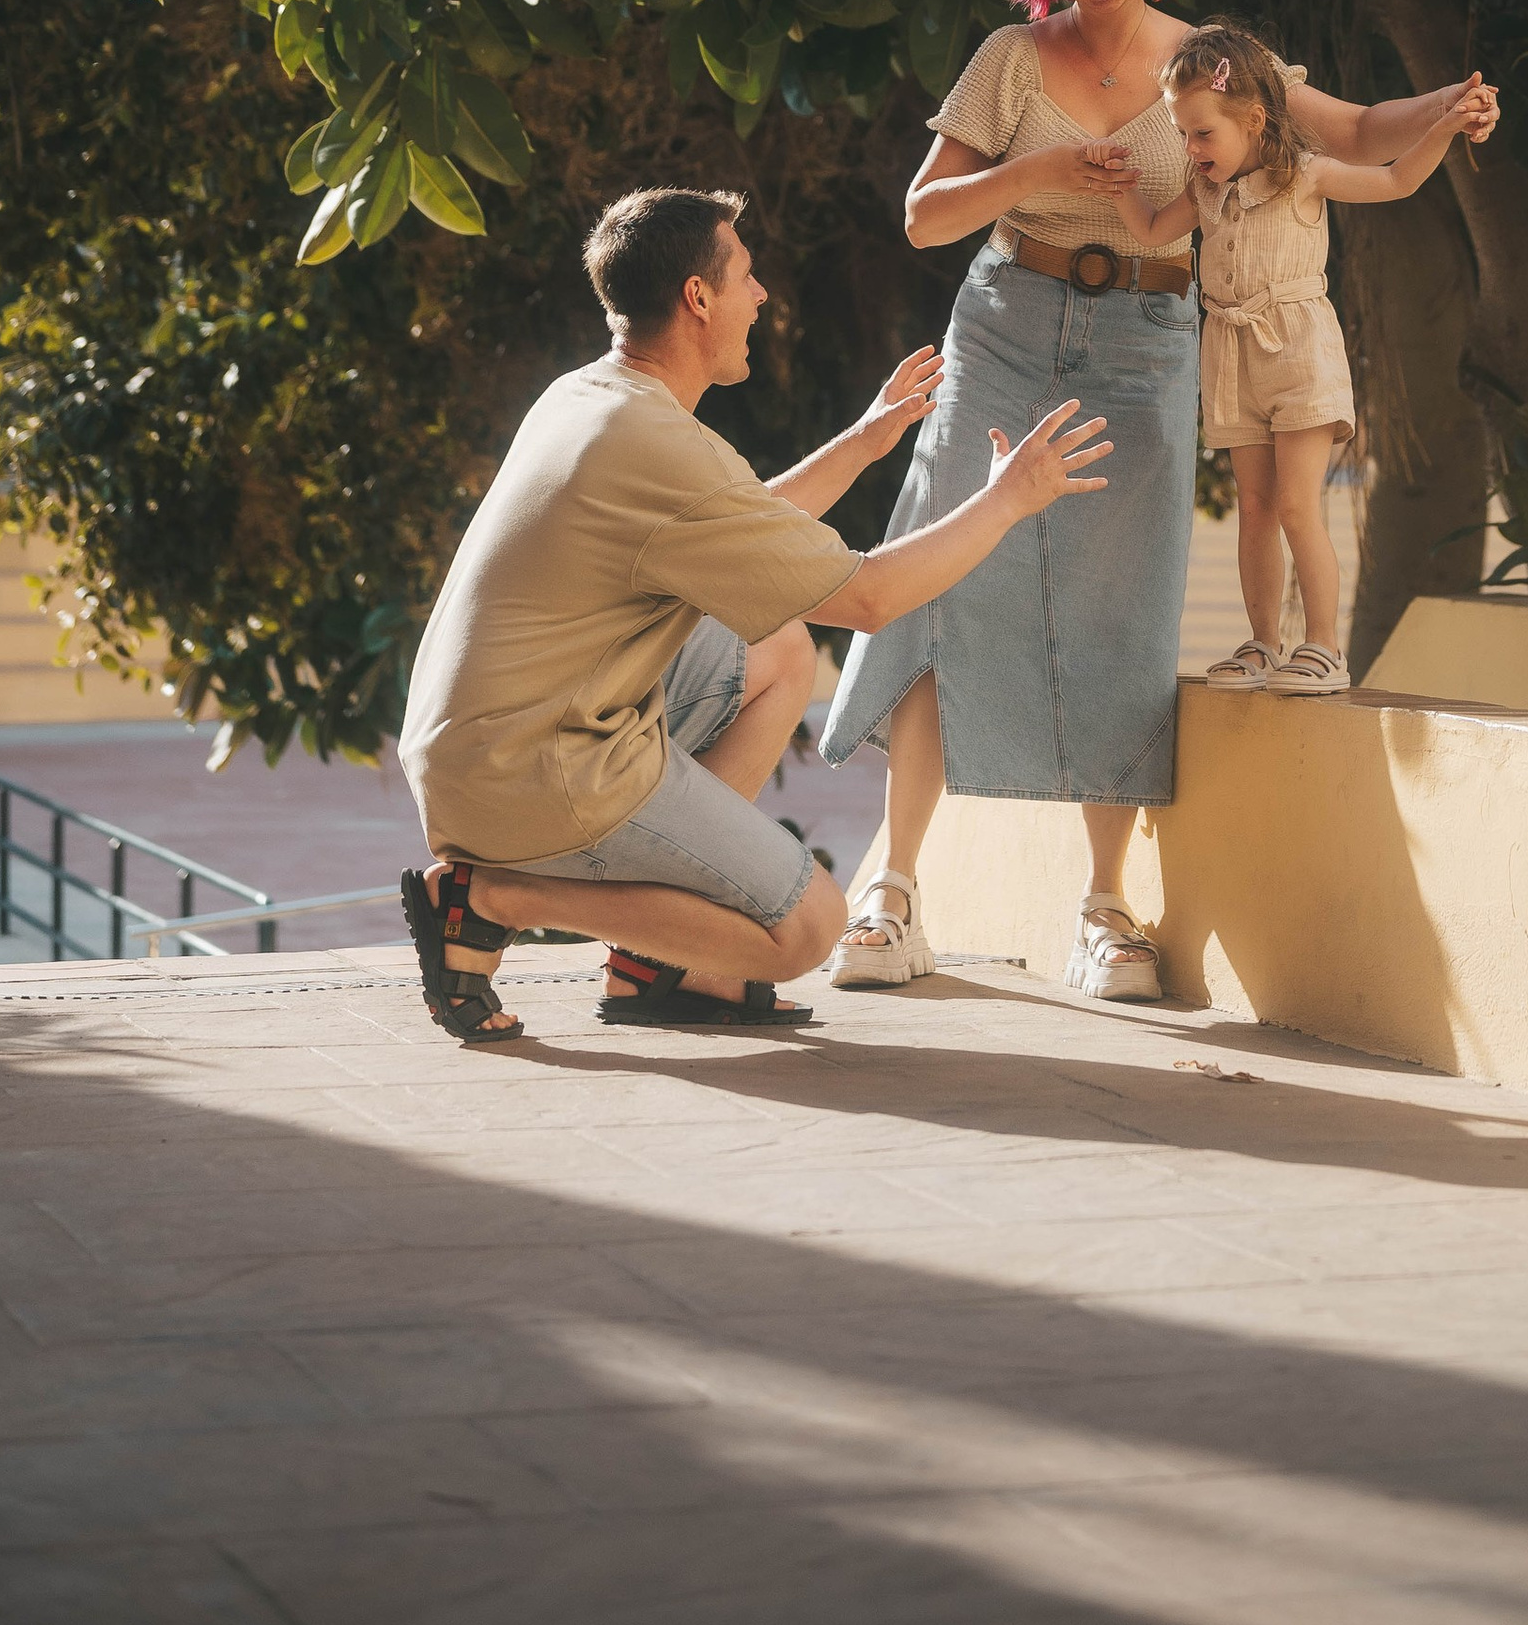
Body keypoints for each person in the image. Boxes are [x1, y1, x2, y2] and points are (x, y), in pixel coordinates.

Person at [820, 0, 1498, 1005]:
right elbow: (925, 216)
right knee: (935, 572)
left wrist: (1448, 103)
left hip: (1144, 337)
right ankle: (894, 895)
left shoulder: (1215, 63)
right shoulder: (1007, 59)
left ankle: (1103, 906)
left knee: (1120, 604)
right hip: (1004, 316)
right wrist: (1030, 164)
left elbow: (1359, 132)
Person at [398, 184, 1110, 1046]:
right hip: (531, 769)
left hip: (484, 746)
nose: (762, 293)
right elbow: (870, 599)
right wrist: (1007, 501)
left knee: (776, 649)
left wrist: (864, 439)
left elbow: (738, 531)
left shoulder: (591, 398)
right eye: (746, 275)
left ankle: (656, 958)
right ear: (698, 298)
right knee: (805, 928)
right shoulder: (659, 444)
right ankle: (485, 899)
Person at [1144, 21, 1484, 696]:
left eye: (1203, 133)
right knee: (1256, 506)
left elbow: (1393, 180)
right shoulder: (1204, 190)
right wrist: (1112, 183)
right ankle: (1263, 645)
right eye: (1182, 133)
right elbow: (1150, 229)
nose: (1191, 148)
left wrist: (1441, 128)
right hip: (1232, 357)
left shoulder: (1305, 175)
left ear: (1254, 118)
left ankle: (1324, 647)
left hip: (1299, 354)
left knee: (1299, 505)